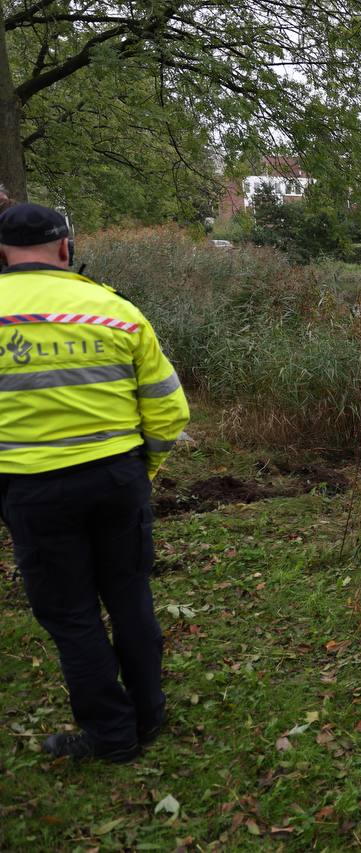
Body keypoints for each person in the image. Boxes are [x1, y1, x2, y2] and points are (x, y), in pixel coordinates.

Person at [0, 203, 189, 762]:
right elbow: (169, 411)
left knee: (72, 611)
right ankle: (149, 715)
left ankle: (111, 733)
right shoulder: (117, 312)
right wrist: (142, 471)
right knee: (130, 595)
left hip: (31, 487)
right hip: (116, 480)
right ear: (65, 248)